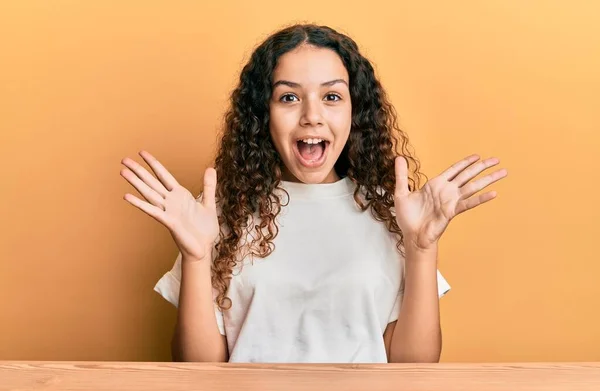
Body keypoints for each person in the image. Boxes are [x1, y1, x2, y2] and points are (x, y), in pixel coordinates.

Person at [120, 24, 507, 363]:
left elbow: (413, 369)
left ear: (355, 112)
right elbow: (199, 369)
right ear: (262, 114)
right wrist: (196, 256)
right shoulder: (223, 213)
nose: (312, 115)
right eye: (289, 97)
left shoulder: (392, 212)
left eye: (332, 96)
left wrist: (421, 249)